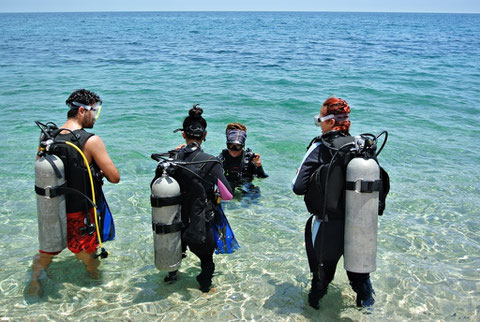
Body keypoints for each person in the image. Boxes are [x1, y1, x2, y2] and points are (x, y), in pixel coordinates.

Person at [28, 89, 120, 295]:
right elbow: (115, 177)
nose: (95, 117)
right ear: (81, 110)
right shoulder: (90, 140)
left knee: (47, 251)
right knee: (88, 253)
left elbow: (39, 167)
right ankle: (96, 286)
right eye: (94, 112)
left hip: (52, 208)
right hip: (79, 212)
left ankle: (34, 280)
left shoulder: (47, 137)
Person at [292, 97, 380, 309]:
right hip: (361, 223)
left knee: (321, 280)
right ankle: (368, 314)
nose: (319, 123)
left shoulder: (320, 147)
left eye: (319, 119)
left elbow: (297, 187)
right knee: (361, 281)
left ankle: (312, 313)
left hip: (328, 226)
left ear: (331, 122)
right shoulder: (360, 149)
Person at [163, 104, 234, 292]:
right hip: (199, 225)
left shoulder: (171, 158)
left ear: (183, 135)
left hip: (172, 224)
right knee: (206, 262)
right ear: (205, 135)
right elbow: (228, 195)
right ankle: (204, 289)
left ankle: (171, 277)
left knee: (175, 257)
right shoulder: (210, 161)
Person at [218, 123, 268, 193]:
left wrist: (258, 166)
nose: (234, 149)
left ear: (243, 146)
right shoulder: (221, 159)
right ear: (227, 145)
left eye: (237, 146)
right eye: (231, 145)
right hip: (228, 187)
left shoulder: (248, 159)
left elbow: (262, 177)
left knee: (254, 194)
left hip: (245, 186)